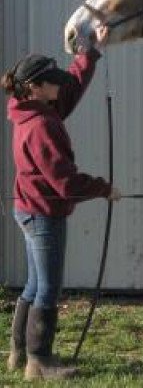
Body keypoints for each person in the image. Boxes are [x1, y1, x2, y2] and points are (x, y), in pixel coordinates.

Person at [1, 26, 121, 381]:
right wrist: (104, 189)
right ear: (35, 88)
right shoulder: (42, 126)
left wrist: (90, 54)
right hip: (42, 213)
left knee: (34, 285)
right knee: (48, 288)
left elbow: (70, 87)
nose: (59, 84)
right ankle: (39, 362)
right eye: (51, 80)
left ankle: (19, 353)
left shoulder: (31, 109)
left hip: (28, 208)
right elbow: (66, 183)